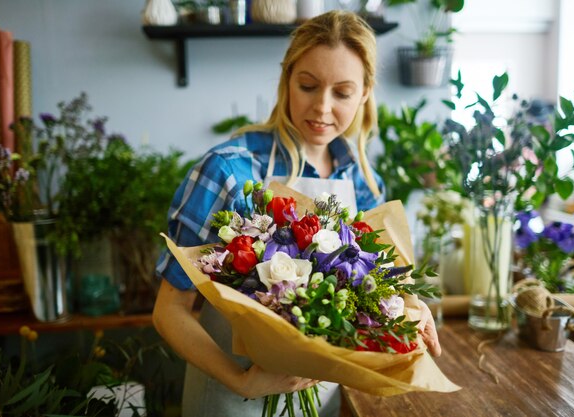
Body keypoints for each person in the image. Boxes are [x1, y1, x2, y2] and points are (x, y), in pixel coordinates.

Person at [153, 10, 442, 417]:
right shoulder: (229, 170)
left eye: (342, 93)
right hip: (231, 396)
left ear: (364, 94)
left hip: (322, 398)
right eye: (308, 85)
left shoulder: (362, 180)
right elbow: (169, 310)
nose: (322, 107)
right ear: (286, 80)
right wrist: (241, 381)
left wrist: (410, 302)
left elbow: (379, 284)